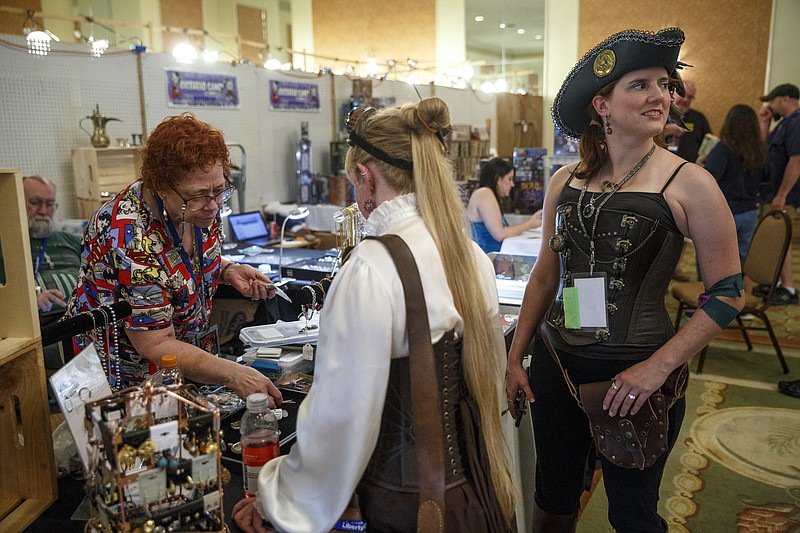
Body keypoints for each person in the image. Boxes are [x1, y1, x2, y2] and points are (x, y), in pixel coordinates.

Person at [232, 98, 517, 532]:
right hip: (475, 492)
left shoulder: (371, 268)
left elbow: (340, 420)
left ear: (365, 177)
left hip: (406, 508)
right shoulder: (471, 254)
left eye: (353, 183)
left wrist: (277, 496)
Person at [505, 28, 743, 532]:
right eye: (640, 84)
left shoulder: (691, 183)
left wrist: (655, 370)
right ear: (602, 105)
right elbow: (548, 274)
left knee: (633, 515)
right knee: (553, 499)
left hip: (634, 375)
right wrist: (516, 355)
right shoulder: (563, 180)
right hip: (556, 364)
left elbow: (727, 295)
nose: (660, 95)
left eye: (664, 83)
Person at [65, 113, 282, 404]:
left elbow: (181, 266)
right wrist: (234, 374)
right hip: (117, 378)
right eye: (200, 195)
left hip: (173, 367)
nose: (214, 205)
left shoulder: (196, 207)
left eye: (219, 191)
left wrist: (226, 269)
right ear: (161, 187)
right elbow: (155, 343)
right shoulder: (130, 236)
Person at [702, 104, 765, 265]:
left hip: (725, 212)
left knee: (714, 263)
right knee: (741, 262)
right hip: (750, 212)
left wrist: (699, 163)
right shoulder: (760, 150)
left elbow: (709, 178)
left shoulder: (723, 148)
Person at [757, 83, 800, 306]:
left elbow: (796, 160)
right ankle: (776, 283)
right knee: (773, 241)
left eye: (771, 101)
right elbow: (764, 151)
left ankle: (789, 288)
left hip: (783, 196)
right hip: (770, 192)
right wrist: (764, 122)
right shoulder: (784, 124)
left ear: (784, 98)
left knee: (782, 239)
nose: (769, 106)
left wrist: (782, 194)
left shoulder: (797, 122)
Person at [20, 175, 82, 316]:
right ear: (17, 202)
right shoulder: (7, 246)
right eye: (35, 202)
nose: (43, 211)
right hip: (40, 324)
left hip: (83, 319)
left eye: (49, 204)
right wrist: (31, 303)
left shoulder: (73, 241)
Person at [467, 157, 543, 253]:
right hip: (487, 257)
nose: (512, 184)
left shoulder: (488, 195)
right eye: (509, 179)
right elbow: (500, 234)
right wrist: (529, 224)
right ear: (498, 179)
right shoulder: (484, 193)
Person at [663, 79, 712, 162]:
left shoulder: (699, 118)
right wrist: (666, 131)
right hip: (662, 167)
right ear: (672, 93)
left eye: (689, 97)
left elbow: (709, 143)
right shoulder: (660, 115)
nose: (685, 100)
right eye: (682, 94)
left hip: (690, 168)